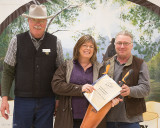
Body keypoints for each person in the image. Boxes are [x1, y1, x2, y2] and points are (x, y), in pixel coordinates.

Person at [0, 4, 64, 128]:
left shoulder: (56, 42)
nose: (37, 23)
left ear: (46, 22)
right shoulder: (16, 41)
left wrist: (58, 99)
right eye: (34, 19)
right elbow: (7, 71)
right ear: (28, 21)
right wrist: (4, 99)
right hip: (22, 101)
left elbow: (60, 73)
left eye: (41, 20)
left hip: (47, 101)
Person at [51, 35, 121, 128]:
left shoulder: (100, 68)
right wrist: (80, 89)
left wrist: (112, 100)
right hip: (68, 119)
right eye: (85, 45)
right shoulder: (66, 66)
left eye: (91, 46)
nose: (88, 48)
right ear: (78, 47)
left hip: (93, 119)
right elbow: (56, 85)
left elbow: (105, 91)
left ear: (94, 50)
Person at [100, 30, 150, 128]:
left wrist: (130, 91)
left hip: (131, 121)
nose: (122, 46)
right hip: (107, 119)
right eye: (119, 43)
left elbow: (146, 89)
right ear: (115, 45)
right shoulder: (106, 64)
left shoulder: (141, 64)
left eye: (126, 43)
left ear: (131, 45)